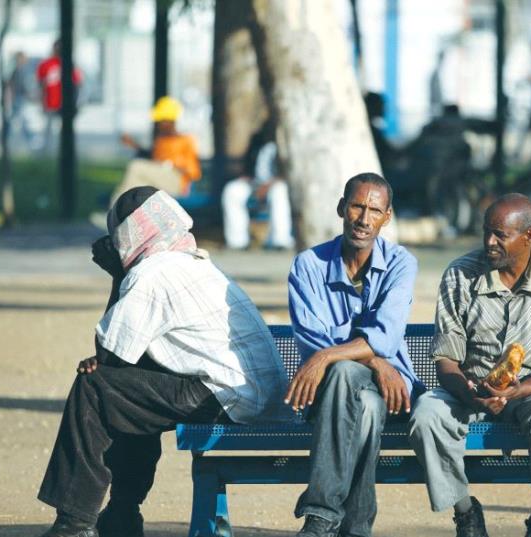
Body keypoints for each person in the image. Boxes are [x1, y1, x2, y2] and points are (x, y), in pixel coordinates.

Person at [35, 187, 289, 537]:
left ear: (124, 235)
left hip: (230, 398)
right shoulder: (196, 262)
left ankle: (75, 523)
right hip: (252, 394)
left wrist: (118, 276)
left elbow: (111, 354)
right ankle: (122, 514)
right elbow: (124, 362)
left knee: (95, 388)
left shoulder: (151, 273)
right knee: (127, 396)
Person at [408, 193, 531, 537]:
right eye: (486, 232)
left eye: (500, 235)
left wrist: (521, 389)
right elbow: (446, 360)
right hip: (469, 388)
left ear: (529, 236)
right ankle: (465, 512)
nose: (489, 242)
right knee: (426, 416)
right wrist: (470, 394)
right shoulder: (461, 274)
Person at [286, 173, 423, 537]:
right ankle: (351, 526)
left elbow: (388, 334)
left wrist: (328, 356)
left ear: (387, 217)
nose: (364, 219)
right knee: (359, 397)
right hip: (332, 397)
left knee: (356, 385)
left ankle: (320, 518)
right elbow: (314, 339)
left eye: (374, 210)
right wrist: (375, 360)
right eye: (357, 207)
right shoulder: (308, 266)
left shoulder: (400, 263)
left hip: (394, 394)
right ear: (341, 208)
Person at [109, 96, 201, 206]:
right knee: (136, 185)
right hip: (159, 178)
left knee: (136, 167)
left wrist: (171, 164)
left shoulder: (185, 140)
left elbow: (194, 173)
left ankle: (112, 211)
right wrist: (134, 145)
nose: (157, 124)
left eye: (160, 121)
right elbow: (153, 159)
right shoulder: (161, 141)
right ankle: (123, 218)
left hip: (176, 182)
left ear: (170, 121)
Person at [221, 125, 294, 250]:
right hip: (254, 184)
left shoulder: (289, 140)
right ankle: (237, 241)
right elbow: (249, 164)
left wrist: (268, 185)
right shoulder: (257, 139)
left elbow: (290, 172)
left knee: (280, 191)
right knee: (232, 190)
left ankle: (279, 240)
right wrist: (246, 177)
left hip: (278, 184)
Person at [36, 40, 82, 153]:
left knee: (66, 129)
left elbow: (77, 84)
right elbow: (40, 85)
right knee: (48, 129)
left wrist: (75, 102)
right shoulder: (45, 64)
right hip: (50, 102)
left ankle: (67, 150)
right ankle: (47, 151)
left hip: (64, 103)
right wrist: (41, 101)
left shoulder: (69, 64)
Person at [6, 51, 36, 150]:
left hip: (20, 98)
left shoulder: (20, 70)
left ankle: (6, 137)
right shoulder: (18, 70)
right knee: (21, 119)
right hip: (19, 98)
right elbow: (13, 84)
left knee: (18, 119)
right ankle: (30, 138)